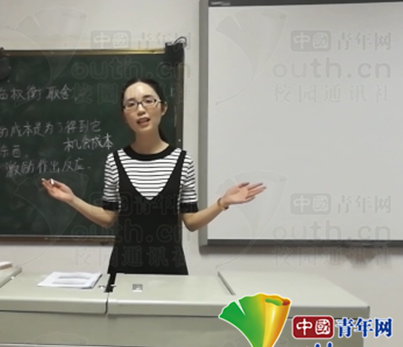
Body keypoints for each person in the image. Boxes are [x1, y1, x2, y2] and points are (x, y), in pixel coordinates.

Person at [42, 77, 265, 275]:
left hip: (170, 267)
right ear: (124, 116)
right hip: (124, 269)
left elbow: (190, 222)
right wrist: (72, 199)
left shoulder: (182, 161)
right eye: (131, 104)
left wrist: (222, 203)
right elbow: (108, 218)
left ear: (163, 108)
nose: (141, 110)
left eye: (148, 101)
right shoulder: (115, 161)